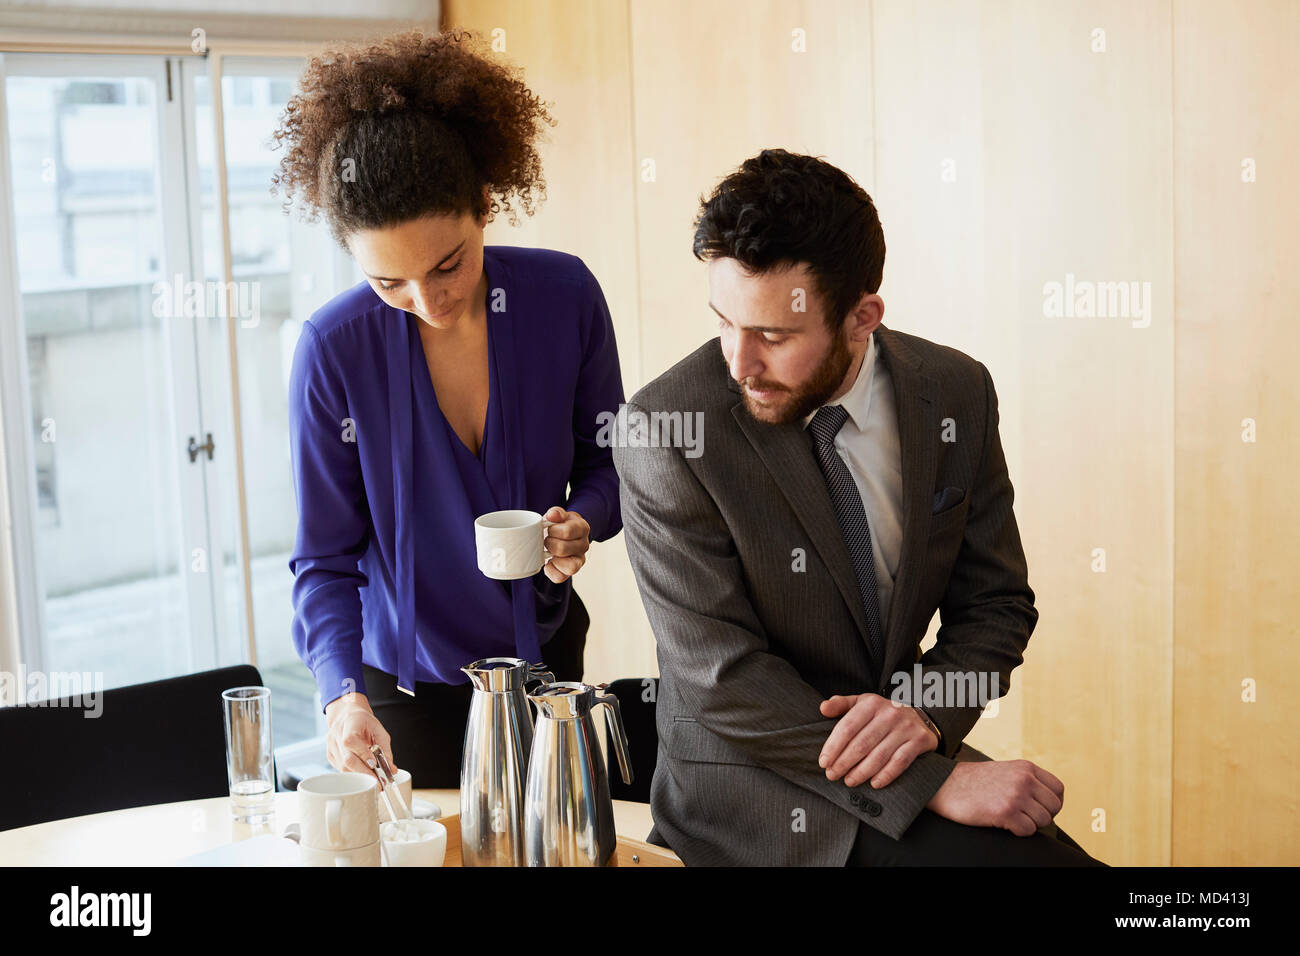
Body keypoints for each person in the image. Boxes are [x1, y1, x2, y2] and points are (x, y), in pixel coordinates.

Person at [612, 148, 1104, 866]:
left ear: (861, 316)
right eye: (724, 322)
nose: (739, 361)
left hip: (897, 744)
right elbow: (722, 677)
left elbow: (996, 605)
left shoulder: (957, 392)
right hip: (752, 789)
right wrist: (929, 779)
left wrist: (926, 717)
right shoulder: (664, 430)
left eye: (774, 336)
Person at [275, 29, 624, 787]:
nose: (425, 302)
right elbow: (323, 561)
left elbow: (613, 463)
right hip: (401, 695)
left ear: (486, 206)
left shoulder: (563, 299)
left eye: (447, 265)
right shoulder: (332, 349)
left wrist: (584, 518)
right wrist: (340, 697)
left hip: (548, 670)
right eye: (387, 283)